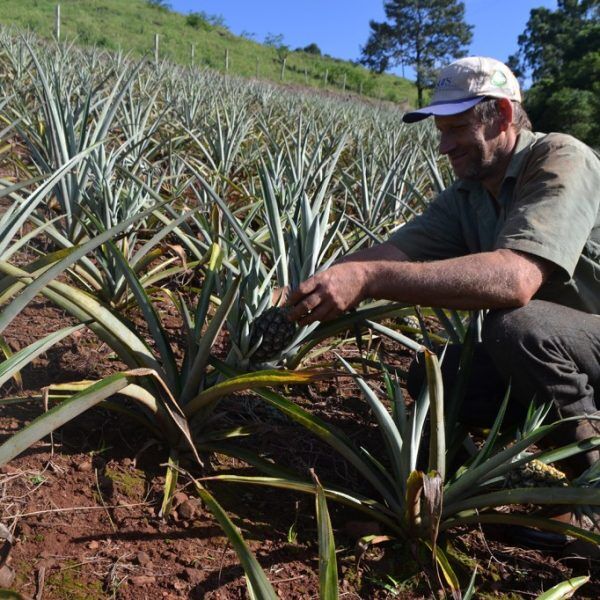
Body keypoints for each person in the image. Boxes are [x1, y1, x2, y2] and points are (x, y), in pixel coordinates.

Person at [285, 57, 600, 484]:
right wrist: (306, 289)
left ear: (502, 116)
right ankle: (542, 459)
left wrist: (370, 280)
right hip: (561, 357)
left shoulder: (561, 158)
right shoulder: (467, 196)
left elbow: (515, 280)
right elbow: (393, 252)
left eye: (456, 128)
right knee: (437, 377)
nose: (443, 146)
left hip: (577, 343)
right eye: (441, 131)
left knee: (517, 326)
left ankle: (591, 484)